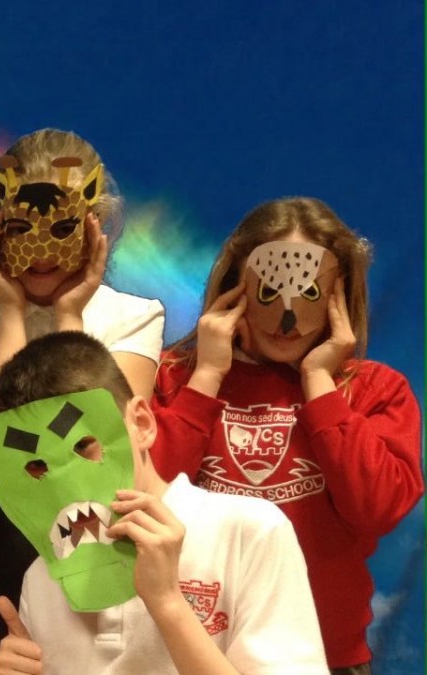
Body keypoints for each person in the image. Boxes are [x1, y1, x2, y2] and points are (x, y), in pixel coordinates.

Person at [0, 128, 165, 673]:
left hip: (93, 531)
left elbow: (105, 436)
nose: (42, 251)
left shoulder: (135, 316)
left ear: (95, 224)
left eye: (62, 229)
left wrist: (69, 315)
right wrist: (10, 313)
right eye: (21, 228)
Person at [149, 197, 424, 674]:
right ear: (236, 284)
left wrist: (320, 384)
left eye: (309, 292)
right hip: (187, 653)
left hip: (324, 657)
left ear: (339, 293)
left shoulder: (373, 390)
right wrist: (207, 377)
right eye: (270, 290)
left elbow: (378, 508)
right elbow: (146, 497)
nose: (288, 316)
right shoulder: (173, 377)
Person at [0, 331, 327, 674]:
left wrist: (168, 603)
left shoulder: (247, 532)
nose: (62, 482)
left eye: (82, 446)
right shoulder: (43, 577)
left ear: (142, 424)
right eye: (36, 467)